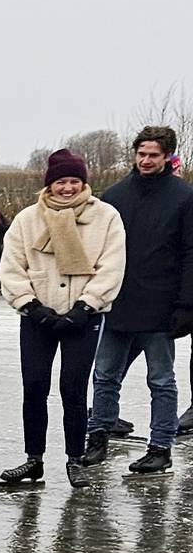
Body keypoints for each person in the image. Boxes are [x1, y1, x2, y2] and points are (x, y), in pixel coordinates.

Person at [0, 150, 128, 489]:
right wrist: (31, 307)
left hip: (84, 319)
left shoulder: (106, 217)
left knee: (73, 388)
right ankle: (33, 459)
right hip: (37, 316)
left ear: (83, 182)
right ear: (49, 185)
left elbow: (111, 267)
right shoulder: (28, 219)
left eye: (73, 181)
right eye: (60, 182)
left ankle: (75, 458)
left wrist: (85, 308)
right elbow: (12, 267)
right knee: (35, 386)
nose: (67, 188)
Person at [85, 125, 193, 472]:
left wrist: (186, 304)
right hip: (116, 301)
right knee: (104, 375)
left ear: (167, 157)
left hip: (161, 305)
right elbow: (96, 249)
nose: (146, 161)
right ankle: (97, 436)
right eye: (141, 154)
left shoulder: (184, 197)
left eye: (154, 155)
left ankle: (160, 446)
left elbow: (191, 253)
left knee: (160, 379)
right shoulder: (114, 196)